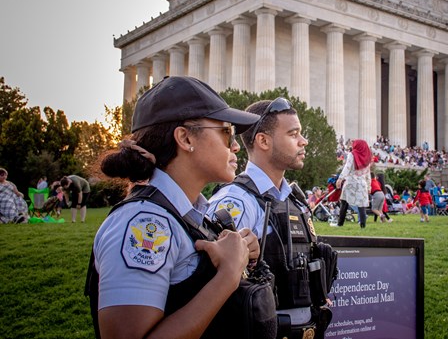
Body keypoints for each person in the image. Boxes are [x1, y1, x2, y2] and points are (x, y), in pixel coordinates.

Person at [87, 76, 261, 339]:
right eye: (227, 133)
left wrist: (242, 255)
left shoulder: (188, 215)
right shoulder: (144, 223)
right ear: (185, 138)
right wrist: (228, 275)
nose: (236, 146)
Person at [207, 97, 336, 339]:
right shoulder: (236, 201)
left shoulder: (293, 200)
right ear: (263, 141)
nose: (304, 141)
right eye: (293, 134)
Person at [336, 139, 372, 228]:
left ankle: (340, 224)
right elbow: (368, 173)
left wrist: (340, 179)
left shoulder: (352, 154)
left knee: (344, 203)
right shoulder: (367, 156)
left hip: (351, 182)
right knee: (361, 205)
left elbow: (347, 168)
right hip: (362, 183)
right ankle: (363, 225)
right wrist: (369, 185)